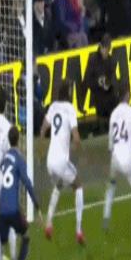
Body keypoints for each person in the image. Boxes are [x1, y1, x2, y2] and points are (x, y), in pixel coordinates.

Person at [41, 80, 84, 244]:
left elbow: (43, 129)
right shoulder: (70, 109)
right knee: (78, 185)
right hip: (60, 161)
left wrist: (40, 148)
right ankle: (79, 231)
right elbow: (76, 137)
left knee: (59, 185)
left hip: (50, 161)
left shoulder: (53, 107)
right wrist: (80, 152)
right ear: (69, 92)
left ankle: (48, 223)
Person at [0, 126, 41, 260]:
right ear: (19, 140)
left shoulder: (4, 159)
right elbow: (27, 184)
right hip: (12, 210)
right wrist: (37, 206)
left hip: (1, 210)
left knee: (0, 242)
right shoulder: (19, 159)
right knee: (26, 237)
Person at [103, 83, 131, 240]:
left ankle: (106, 217)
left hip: (115, 156)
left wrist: (111, 154)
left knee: (112, 184)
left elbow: (110, 139)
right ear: (127, 95)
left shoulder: (114, 113)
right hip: (127, 158)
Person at [86, 34, 118, 127]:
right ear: (100, 47)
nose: (106, 51)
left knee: (114, 99)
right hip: (98, 95)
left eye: (108, 49)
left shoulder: (112, 61)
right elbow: (87, 81)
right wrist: (98, 82)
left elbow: (113, 79)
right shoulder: (93, 60)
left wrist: (108, 84)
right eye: (104, 48)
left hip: (110, 95)